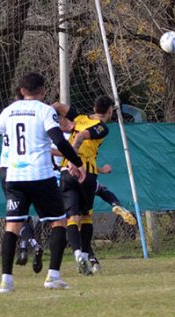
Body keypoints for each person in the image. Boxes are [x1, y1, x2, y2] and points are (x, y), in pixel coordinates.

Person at [0, 72, 85, 293]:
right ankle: (53, 276)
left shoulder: (9, 111)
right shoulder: (45, 110)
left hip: (14, 178)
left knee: (12, 226)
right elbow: (59, 140)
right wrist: (76, 162)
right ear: (43, 90)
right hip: (40, 175)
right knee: (59, 222)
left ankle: (6, 280)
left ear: (21, 90)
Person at [53, 97, 114, 276]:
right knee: (86, 217)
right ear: (110, 110)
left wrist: (47, 119)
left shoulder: (79, 118)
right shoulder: (102, 127)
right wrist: (75, 159)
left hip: (65, 172)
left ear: (94, 107)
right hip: (85, 173)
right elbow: (80, 137)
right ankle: (86, 256)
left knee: (72, 217)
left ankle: (78, 254)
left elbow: (56, 106)